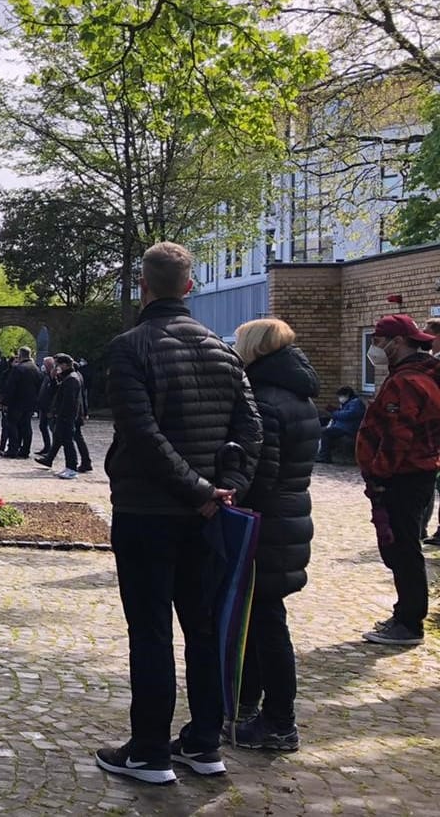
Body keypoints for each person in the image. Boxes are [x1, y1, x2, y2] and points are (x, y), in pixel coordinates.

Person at [95, 241, 262, 786]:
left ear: (142, 285)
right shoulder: (222, 349)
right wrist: (225, 489)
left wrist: (197, 489)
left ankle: (149, 750)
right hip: (209, 515)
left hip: (150, 509)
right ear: (190, 287)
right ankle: (204, 741)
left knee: (150, 631)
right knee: (204, 627)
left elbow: (142, 434)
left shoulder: (129, 348)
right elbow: (250, 428)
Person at [231, 318, 320, 751]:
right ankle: (250, 705)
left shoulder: (265, 400)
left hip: (269, 522)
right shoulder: (297, 395)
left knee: (267, 624)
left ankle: (279, 722)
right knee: (264, 618)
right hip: (290, 515)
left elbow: (259, 476)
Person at [355, 314, 440, 646]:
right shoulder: (424, 375)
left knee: (403, 549)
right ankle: (407, 614)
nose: (375, 348)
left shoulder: (405, 382)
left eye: (378, 341)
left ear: (399, 342)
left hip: (402, 477)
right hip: (417, 472)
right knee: (405, 546)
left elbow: (396, 436)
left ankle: (408, 621)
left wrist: (378, 476)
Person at [38, 354, 85, 479]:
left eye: (57, 365)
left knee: (68, 442)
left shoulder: (72, 379)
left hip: (66, 417)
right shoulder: (67, 378)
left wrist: (61, 415)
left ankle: (72, 468)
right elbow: (56, 391)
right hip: (63, 416)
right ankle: (67, 466)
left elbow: (69, 401)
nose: (56, 367)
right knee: (62, 440)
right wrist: (54, 378)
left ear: (64, 365)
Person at [0, 347, 43, 459]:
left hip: (16, 402)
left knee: (12, 425)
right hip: (30, 403)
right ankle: (25, 450)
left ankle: (13, 449)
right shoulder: (35, 369)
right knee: (26, 426)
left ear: (20, 355)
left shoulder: (18, 369)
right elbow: (40, 386)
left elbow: (11, 387)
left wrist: (4, 402)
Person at [316, 386, 365, 464]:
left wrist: (335, 413)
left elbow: (349, 415)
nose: (340, 398)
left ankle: (324, 456)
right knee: (323, 430)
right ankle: (322, 454)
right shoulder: (348, 403)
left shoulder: (356, 402)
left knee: (325, 433)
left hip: (348, 428)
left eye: (341, 396)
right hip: (342, 427)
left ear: (347, 394)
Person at [35, 356, 57, 458]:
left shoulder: (54, 376)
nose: (44, 366)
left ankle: (52, 450)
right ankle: (47, 447)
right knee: (42, 426)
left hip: (49, 408)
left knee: (52, 429)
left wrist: (51, 408)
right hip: (43, 406)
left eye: (46, 364)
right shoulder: (46, 376)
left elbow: (54, 393)